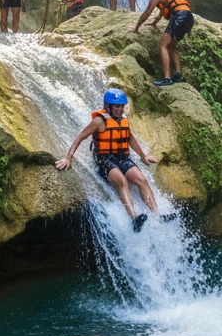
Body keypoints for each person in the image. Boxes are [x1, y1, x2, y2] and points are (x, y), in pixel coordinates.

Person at [55, 88, 160, 232]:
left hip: (122, 157)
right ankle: (134, 218)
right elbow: (81, 137)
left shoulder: (123, 120)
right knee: (122, 181)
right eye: (116, 106)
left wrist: (143, 156)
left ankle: (157, 216)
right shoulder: (99, 121)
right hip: (104, 159)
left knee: (140, 179)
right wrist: (68, 158)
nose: (119, 109)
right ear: (108, 106)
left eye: (121, 106)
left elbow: (129, 138)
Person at [129, 0, 194, 87]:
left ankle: (167, 78)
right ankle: (178, 74)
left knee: (162, 45)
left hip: (179, 16)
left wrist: (137, 27)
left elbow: (148, 11)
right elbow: (162, 11)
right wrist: (154, 23)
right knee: (171, 46)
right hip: (188, 17)